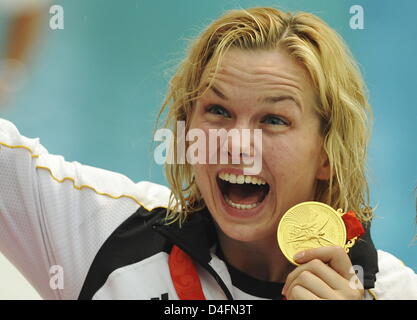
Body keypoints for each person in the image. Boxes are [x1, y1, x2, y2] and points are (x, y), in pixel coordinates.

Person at [0, 7, 416, 300]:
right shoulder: (102, 237)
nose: (236, 143)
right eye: (217, 111)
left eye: (273, 120)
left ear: (327, 154)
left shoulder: (393, 291)